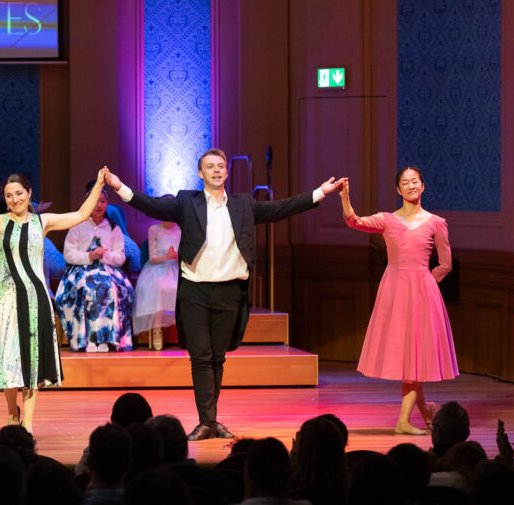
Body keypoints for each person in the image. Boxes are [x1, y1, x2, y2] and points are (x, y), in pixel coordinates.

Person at [107, 150, 344, 440]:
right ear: (200, 173)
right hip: (195, 289)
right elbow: (153, 206)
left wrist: (321, 191)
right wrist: (120, 188)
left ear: (227, 172)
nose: (216, 171)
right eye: (210, 167)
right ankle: (207, 421)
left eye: (221, 166)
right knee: (201, 356)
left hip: (230, 291)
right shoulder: (186, 201)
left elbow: (281, 208)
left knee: (217, 357)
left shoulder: (244, 204)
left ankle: (211, 420)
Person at [0, 167, 109, 432]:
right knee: (9, 359)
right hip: (7, 297)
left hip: (36, 297)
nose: (14, 199)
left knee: (32, 359)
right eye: (8, 195)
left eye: (19, 193)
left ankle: (27, 423)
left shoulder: (43, 221)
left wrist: (98, 184)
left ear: (29, 194)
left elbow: (81, 214)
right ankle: (11, 413)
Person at [338, 167, 457, 435]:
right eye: (406, 182)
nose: (411, 186)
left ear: (423, 186)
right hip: (395, 292)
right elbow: (354, 221)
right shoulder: (387, 220)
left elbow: (446, 263)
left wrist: (427, 282)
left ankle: (405, 419)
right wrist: (345, 197)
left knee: (415, 357)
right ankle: (422, 412)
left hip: (422, 293)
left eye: (415, 181)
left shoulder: (436, 222)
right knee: (410, 357)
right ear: (398, 189)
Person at [55, 181, 134, 353]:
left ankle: (107, 337)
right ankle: (87, 338)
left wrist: (104, 255)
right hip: (81, 269)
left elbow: (120, 258)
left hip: (108, 270)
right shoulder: (77, 225)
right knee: (85, 286)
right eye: (95, 200)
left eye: (103, 201)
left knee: (112, 288)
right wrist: (89, 256)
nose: (99, 205)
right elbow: (68, 254)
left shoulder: (114, 228)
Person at [133, 214, 181, 350]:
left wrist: (178, 256)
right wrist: (166, 256)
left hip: (176, 268)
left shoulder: (180, 230)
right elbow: (153, 258)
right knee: (159, 286)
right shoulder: (154, 229)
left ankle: (185, 331)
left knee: (182, 287)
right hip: (158, 268)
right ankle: (156, 328)